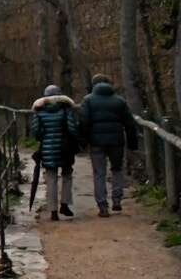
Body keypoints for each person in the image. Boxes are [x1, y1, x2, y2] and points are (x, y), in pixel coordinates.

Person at [80, 74, 138, 217]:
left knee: (99, 173)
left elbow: (84, 122)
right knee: (117, 169)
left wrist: (83, 141)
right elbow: (130, 124)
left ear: (93, 86)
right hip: (116, 141)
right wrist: (132, 143)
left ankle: (102, 205)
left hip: (96, 142)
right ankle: (117, 199)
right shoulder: (119, 101)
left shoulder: (88, 100)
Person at [30, 84, 80, 221]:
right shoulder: (66, 110)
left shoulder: (39, 111)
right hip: (65, 149)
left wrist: (44, 138)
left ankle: (53, 211)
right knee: (67, 175)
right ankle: (65, 203)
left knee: (51, 178)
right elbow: (72, 129)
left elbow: (35, 132)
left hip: (47, 149)